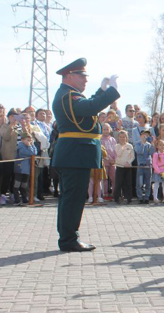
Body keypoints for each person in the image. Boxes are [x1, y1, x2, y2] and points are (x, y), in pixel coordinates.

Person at [51, 58, 120, 251]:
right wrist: (111, 92)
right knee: (73, 198)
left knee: (71, 198)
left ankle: (68, 238)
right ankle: (69, 240)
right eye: (82, 76)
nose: (85, 80)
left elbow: (87, 105)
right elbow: (89, 108)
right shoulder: (68, 96)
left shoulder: (69, 95)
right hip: (75, 152)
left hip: (74, 152)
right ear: (69, 76)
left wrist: (101, 92)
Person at [14, 134, 37, 205]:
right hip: (20, 168)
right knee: (17, 184)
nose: (29, 142)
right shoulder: (21, 146)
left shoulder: (30, 146)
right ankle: (16, 199)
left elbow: (35, 152)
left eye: (30, 140)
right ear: (22, 140)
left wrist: (32, 145)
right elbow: (28, 153)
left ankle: (24, 198)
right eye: (28, 140)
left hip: (26, 169)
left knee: (24, 184)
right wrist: (30, 146)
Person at [113, 130, 134, 204]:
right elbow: (118, 155)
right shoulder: (117, 146)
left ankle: (129, 198)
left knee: (128, 183)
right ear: (118, 138)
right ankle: (116, 198)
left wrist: (128, 162)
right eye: (121, 137)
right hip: (119, 166)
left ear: (126, 137)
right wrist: (122, 148)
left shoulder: (130, 146)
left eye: (124, 137)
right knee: (118, 182)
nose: (122, 138)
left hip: (127, 167)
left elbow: (132, 156)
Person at [135, 129, 154, 204]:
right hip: (140, 166)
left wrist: (152, 144)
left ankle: (147, 197)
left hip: (148, 166)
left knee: (148, 182)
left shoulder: (149, 144)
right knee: (139, 183)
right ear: (140, 136)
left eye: (147, 135)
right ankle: (140, 198)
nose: (145, 136)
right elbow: (140, 152)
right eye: (144, 135)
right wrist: (143, 143)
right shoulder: (137, 144)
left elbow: (151, 153)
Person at [151, 138, 164, 204]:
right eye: (160, 145)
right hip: (158, 172)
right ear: (157, 146)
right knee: (156, 185)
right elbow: (154, 164)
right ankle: (155, 198)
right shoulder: (156, 154)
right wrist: (159, 172)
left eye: (163, 145)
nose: (162, 146)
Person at [100, 123, 117, 199]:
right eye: (104, 129)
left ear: (110, 130)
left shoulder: (113, 139)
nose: (106, 131)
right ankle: (105, 193)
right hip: (105, 161)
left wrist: (115, 159)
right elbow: (103, 151)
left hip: (113, 162)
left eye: (107, 129)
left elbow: (116, 150)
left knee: (114, 178)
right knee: (104, 178)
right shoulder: (100, 139)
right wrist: (109, 158)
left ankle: (114, 193)